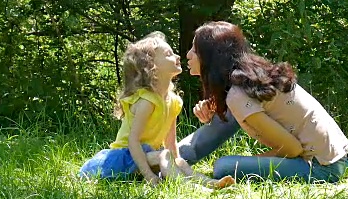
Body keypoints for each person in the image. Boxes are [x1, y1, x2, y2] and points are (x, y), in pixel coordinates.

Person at [183, 21, 348, 183]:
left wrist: (246, 164)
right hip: (336, 158)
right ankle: (172, 158)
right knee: (227, 150)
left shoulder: (238, 95)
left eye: (195, 50)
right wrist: (217, 112)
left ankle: (169, 161)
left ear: (212, 57)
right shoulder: (246, 80)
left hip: (321, 167)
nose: (188, 54)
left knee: (224, 167)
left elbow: (292, 149)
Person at [78, 32, 234, 189]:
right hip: (122, 159)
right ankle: (192, 188)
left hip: (147, 156)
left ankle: (209, 183)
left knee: (173, 157)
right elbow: (133, 142)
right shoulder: (147, 101)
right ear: (151, 66)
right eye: (169, 54)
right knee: (164, 155)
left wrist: (178, 163)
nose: (178, 56)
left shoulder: (173, 102)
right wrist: (149, 175)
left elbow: (172, 148)